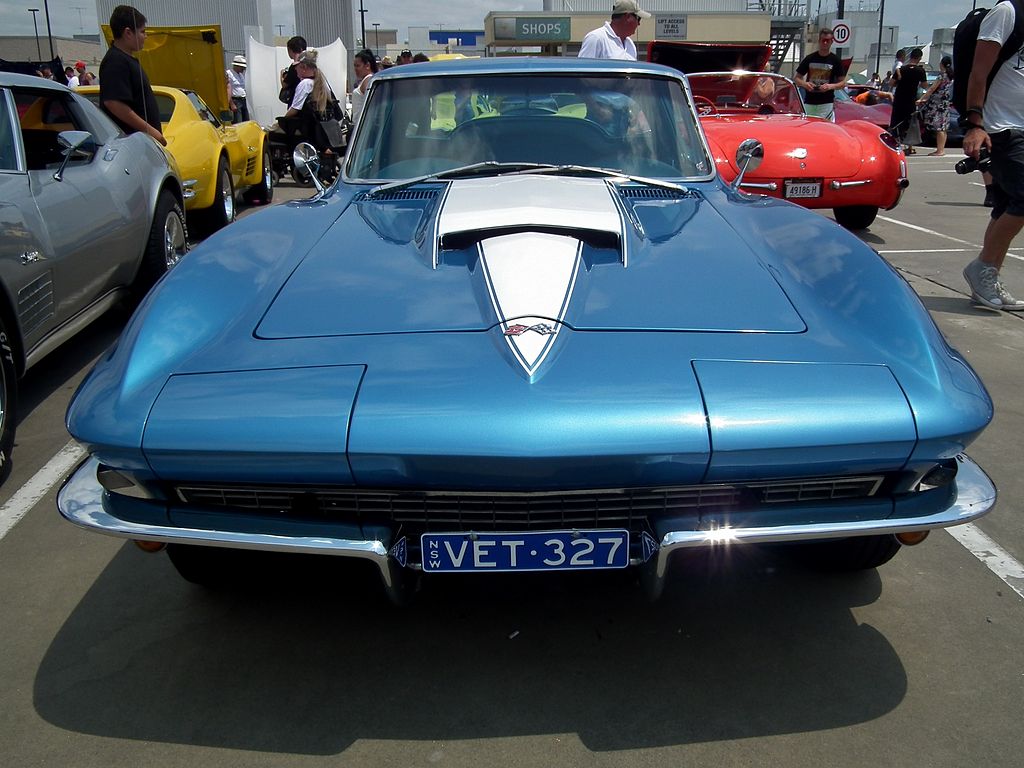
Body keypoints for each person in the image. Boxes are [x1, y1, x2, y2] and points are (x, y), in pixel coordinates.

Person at [961, 0, 1024, 311]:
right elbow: (978, 72)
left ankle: (988, 277)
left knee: (1006, 204)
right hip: (1001, 127)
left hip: (1021, 125)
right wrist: (975, 124)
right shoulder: (1008, 12)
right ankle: (982, 268)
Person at [99, 4, 165, 145]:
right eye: (142, 32)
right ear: (128, 33)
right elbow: (114, 103)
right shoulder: (115, 61)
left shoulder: (125, 59)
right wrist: (151, 131)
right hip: (131, 146)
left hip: (141, 143)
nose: (145, 36)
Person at [794, 28, 847, 121]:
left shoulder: (835, 60)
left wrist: (830, 86)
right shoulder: (810, 58)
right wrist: (805, 84)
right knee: (808, 130)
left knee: (826, 130)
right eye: (823, 40)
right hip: (809, 102)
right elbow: (797, 78)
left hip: (826, 103)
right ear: (819, 41)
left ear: (831, 42)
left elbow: (842, 83)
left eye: (827, 41)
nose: (825, 43)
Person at [578, 1, 650, 61]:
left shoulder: (630, 44)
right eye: (638, 19)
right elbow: (582, 71)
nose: (639, 24)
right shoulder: (596, 38)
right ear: (627, 17)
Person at [888, 48, 926, 154]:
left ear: (910, 57)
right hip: (911, 100)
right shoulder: (920, 71)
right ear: (919, 58)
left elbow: (891, 83)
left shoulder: (901, 69)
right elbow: (924, 85)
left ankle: (896, 143)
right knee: (910, 123)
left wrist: (899, 82)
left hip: (899, 99)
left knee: (896, 121)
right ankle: (910, 146)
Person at [917, 55, 953, 156]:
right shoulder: (950, 76)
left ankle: (940, 150)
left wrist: (922, 98)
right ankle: (941, 149)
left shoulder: (942, 76)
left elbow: (932, 89)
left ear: (942, 64)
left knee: (939, 127)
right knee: (943, 127)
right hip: (945, 103)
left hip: (937, 104)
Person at [350, 49, 378, 125]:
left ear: (367, 65)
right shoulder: (368, 79)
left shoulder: (368, 79)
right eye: (354, 66)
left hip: (362, 124)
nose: (355, 69)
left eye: (358, 66)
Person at [279, 35, 307, 105]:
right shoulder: (310, 64)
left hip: (296, 101)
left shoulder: (295, 66)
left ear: (290, 50)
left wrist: (281, 74)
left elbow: (285, 85)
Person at [226, 54, 249, 123]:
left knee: (246, 121)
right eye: (242, 67)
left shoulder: (241, 75)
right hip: (235, 100)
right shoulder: (229, 74)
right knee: (238, 122)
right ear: (236, 66)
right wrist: (232, 104)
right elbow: (227, 89)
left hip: (243, 100)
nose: (244, 69)